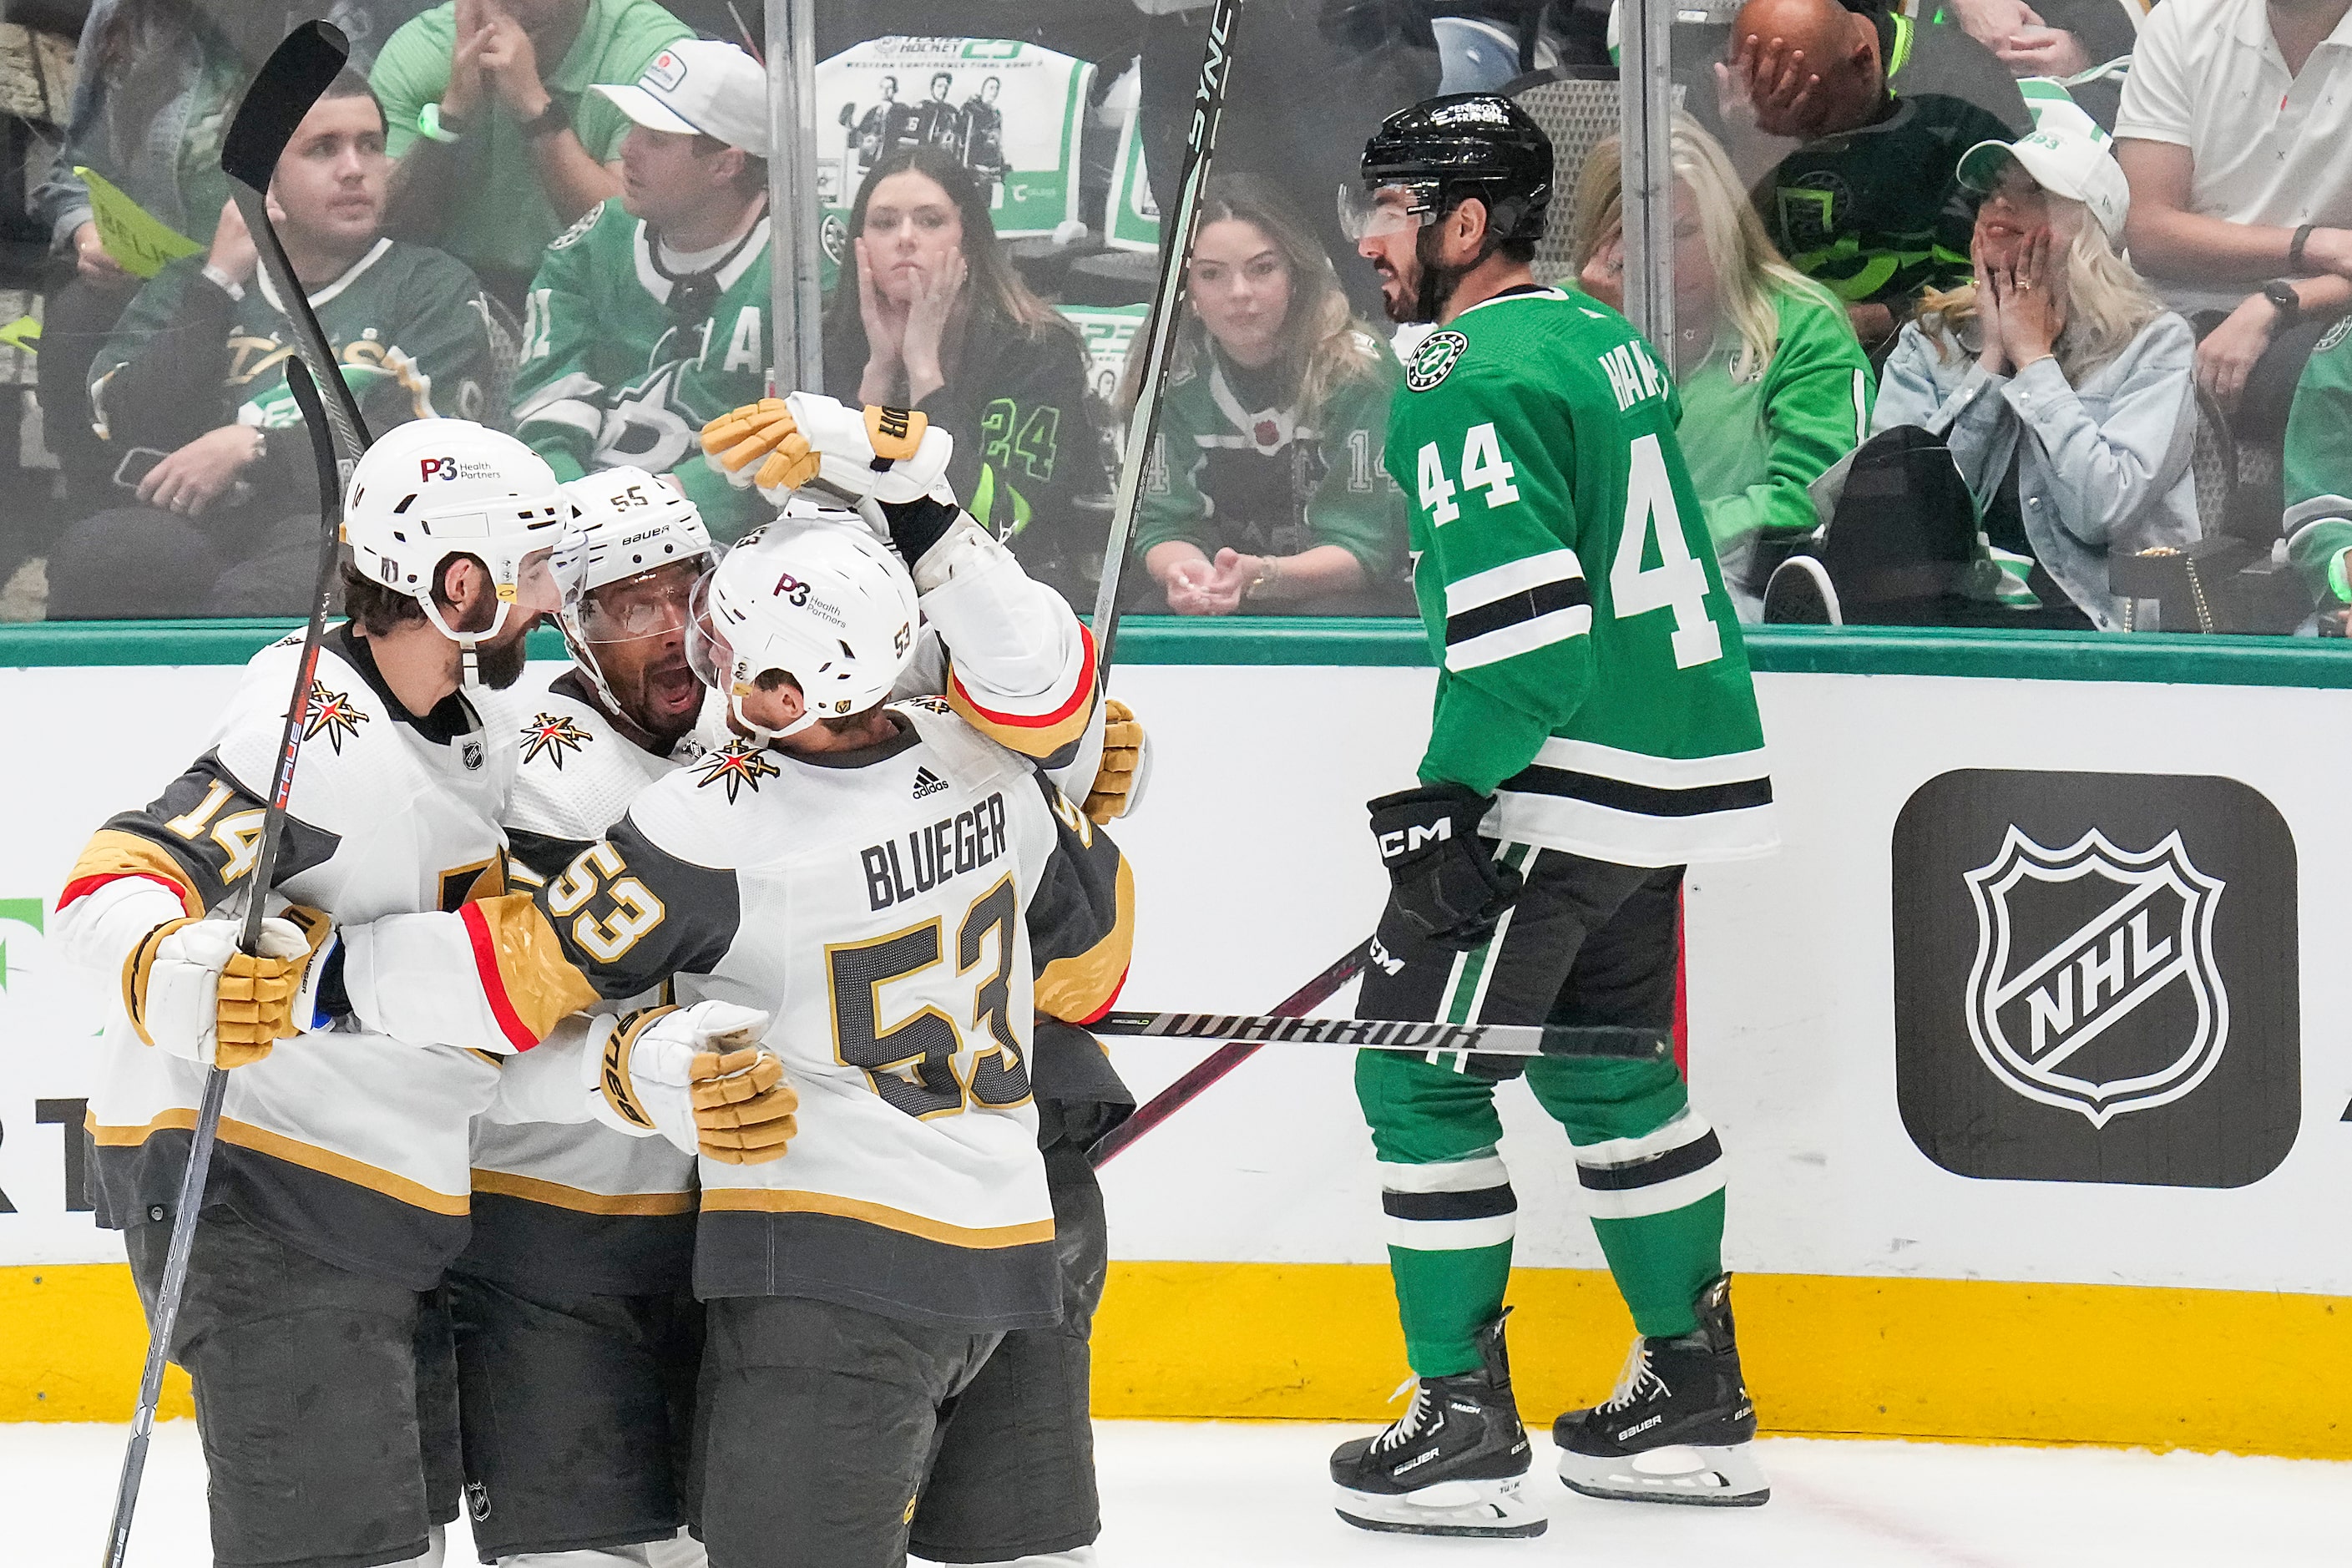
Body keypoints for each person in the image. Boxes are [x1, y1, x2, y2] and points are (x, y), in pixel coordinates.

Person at [322, 451, 1137, 1566]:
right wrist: (1067, 750)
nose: (672, 631)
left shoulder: (726, 787)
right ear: (568, 618)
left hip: (788, 1251)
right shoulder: (959, 749)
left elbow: (525, 969)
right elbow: (1089, 964)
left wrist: (335, 975)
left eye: (685, 594)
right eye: (626, 604)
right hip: (579, 1226)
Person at [1330, 94, 1775, 1536]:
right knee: (1607, 1078)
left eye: (1392, 211)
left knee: (1414, 1080)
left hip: (1557, 777)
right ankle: (1692, 1398)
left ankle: (1459, 1421)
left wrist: (1447, 799)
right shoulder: (1604, 334)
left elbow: (1524, 644)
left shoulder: (1459, 366)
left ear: (1467, 224)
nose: (1369, 239)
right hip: (1664, 770)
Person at [53, 420, 565, 1568]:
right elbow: (107, 886)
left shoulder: (458, 717)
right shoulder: (312, 731)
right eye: (531, 566)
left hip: (373, 1199)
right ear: (460, 580)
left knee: (398, 1544)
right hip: (263, 1193)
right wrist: (185, 975)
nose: (550, 594)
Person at [47, 70, 500, 620]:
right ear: (263, 178)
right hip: (201, 528)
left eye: (370, 146)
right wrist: (218, 286)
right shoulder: (193, 284)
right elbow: (126, 425)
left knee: (304, 574)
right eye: (323, 149)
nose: (355, 169)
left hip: (338, 526)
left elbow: (429, 458)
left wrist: (256, 447)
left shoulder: (431, 285)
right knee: (102, 554)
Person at [1874, 99, 2198, 630]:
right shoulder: (1930, 339)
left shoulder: (2153, 345)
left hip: (2094, 626)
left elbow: (2102, 513)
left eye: (2033, 192)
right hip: (1943, 615)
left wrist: (2035, 361)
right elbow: (1901, 525)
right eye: (1992, 190)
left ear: (2088, 228)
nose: (1999, 201)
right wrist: (1993, 363)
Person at [1571, 117, 1874, 620]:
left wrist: (1654, 537)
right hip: (1591, 611)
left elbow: (1813, 501)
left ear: (1725, 226)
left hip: (1744, 608)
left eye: (1685, 233)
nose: (1666, 260)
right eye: (1638, 238)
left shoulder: (1800, 322)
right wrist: (1606, 334)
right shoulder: (1563, 318)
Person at [511, 40, 776, 542]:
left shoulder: (807, 266)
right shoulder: (588, 246)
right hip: (580, 530)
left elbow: (808, 437)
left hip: (742, 548)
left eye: (655, 137)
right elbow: (545, 408)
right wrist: (580, 517)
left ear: (726, 165)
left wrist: (663, 508)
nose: (627, 149)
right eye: (633, 128)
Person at [822, 147, 1113, 599]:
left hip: (1010, 601)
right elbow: (825, 528)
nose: (905, 238)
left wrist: (923, 370)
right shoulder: (827, 343)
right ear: (858, 245)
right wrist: (878, 376)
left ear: (969, 239)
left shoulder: (1036, 350)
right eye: (883, 223)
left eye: (930, 220)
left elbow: (999, 526)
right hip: (863, 602)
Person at [1132, 175, 1409, 616]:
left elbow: (1366, 547)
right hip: (1218, 604)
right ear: (1186, 289)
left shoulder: (1358, 371)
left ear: (1296, 273)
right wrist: (1187, 576)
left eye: (1262, 269)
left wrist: (1263, 577)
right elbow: (1160, 524)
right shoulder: (1168, 373)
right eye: (1210, 274)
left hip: (1341, 608)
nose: (1239, 293)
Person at [1715, 0, 2027, 353]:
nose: (1804, 145)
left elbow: (2007, 279)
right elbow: (1710, 269)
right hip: (1780, 342)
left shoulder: (1963, 89)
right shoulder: (1729, 96)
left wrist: (1878, 320)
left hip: (1931, 351)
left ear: (1864, 64)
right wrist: (1752, 152)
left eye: (1815, 120)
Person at [2113, 0, 2352, 414]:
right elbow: (2149, 232)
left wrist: (2278, 303)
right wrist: (2310, 245)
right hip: (2159, 304)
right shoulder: (2183, 19)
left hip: (2316, 312)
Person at [371, 0, 694, 305]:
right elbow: (370, 229)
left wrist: (535, 109)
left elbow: (640, 242)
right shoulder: (424, 46)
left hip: (596, 295)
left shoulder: (658, 56)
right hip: (445, 286)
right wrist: (450, 117)